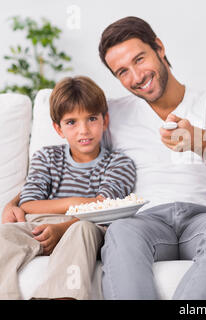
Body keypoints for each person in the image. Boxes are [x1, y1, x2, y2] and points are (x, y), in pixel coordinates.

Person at [96, 16, 206, 299]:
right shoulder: (112, 114)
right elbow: (76, 155)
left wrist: (193, 139)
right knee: (120, 232)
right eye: (122, 72)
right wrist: (19, 200)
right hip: (145, 221)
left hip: (205, 218)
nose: (136, 76)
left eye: (139, 59)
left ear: (159, 48)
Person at [0, 76, 136, 299]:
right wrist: (75, 203)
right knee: (4, 234)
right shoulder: (47, 157)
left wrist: (63, 227)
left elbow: (103, 208)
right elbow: (29, 203)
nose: (84, 130)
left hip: (88, 225)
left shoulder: (119, 163)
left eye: (91, 119)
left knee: (81, 230)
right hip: (40, 226)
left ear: (105, 120)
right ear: (58, 128)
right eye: (72, 122)